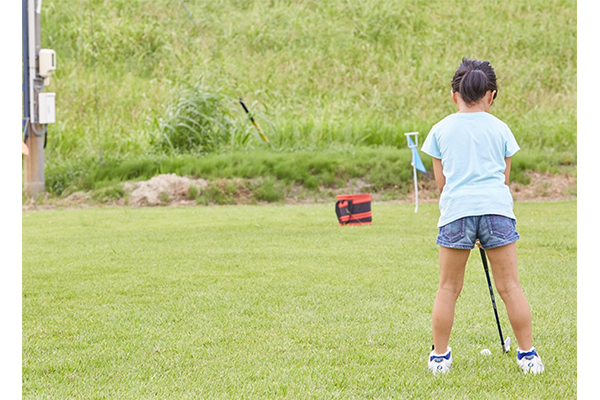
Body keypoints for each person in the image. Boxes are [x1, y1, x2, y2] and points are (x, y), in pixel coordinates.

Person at [420, 57, 544, 375]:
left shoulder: (440, 130)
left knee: (448, 288)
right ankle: (528, 356)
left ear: (454, 95)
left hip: (457, 212)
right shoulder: (501, 128)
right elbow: (503, 180)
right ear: (490, 96)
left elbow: (441, 184)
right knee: (511, 286)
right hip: (497, 211)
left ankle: (440, 358)